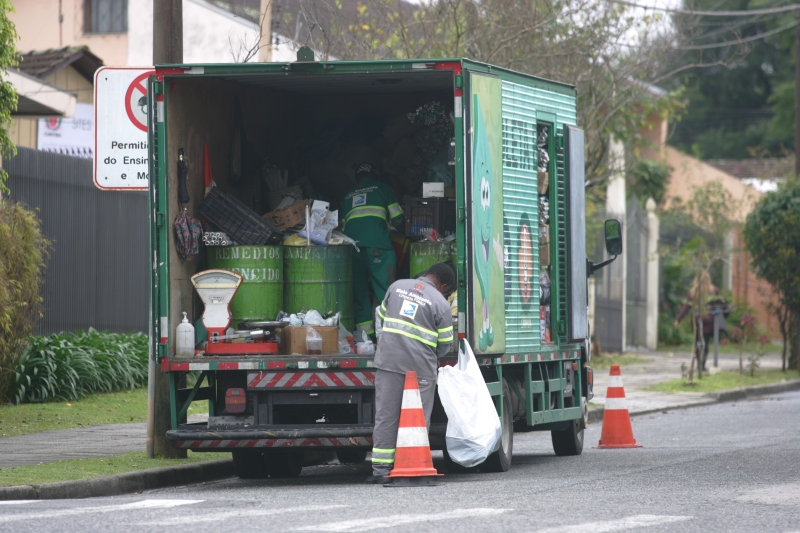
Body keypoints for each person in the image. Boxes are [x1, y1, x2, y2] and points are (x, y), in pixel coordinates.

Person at [366, 263, 455, 484]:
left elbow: (382, 319)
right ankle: (413, 466)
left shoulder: (396, 287)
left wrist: (387, 344)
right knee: (416, 418)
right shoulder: (440, 303)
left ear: (427, 273)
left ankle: (381, 472)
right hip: (421, 368)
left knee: (386, 416)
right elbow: (445, 344)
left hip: (389, 362)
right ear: (443, 285)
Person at [340, 162, 404, 339]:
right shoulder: (384, 189)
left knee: (359, 294)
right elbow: (398, 218)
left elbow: (344, 228)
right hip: (379, 246)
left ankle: (365, 339)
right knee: (386, 290)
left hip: (354, 248)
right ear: (375, 175)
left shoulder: (347, 195)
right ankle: (389, 336)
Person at [674, 271, 725, 371]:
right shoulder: (714, 291)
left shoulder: (693, 292)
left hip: (697, 321)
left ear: (696, 280)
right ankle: (702, 365)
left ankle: (699, 363)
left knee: (699, 342)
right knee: (705, 342)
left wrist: (678, 320)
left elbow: (686, 307)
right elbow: (721, 303)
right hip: (710, 321)